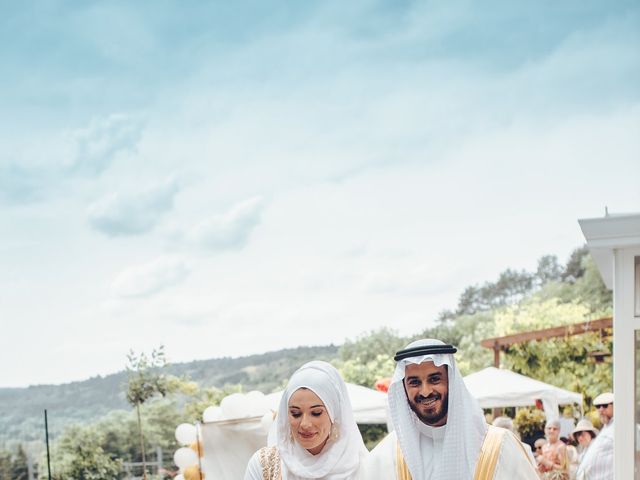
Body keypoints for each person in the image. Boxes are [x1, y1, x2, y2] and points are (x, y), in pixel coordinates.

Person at [363, 339, 538, 479]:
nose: (425, 391)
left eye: (434, 379)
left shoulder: (500, 447)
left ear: (451, 382)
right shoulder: (387, 455)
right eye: (415, 382)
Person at [244, 360, 368, 480]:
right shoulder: (264, 465)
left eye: (316, 413)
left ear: (333, 414)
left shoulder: (358, 467)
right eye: (296, 413)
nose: (305, 424)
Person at [575, 392, 613, 480]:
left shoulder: (622, 427)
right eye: (598, 406)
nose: (601, 409)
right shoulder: (606, 429)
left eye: (605, 405)